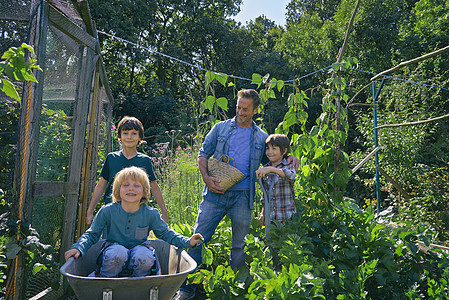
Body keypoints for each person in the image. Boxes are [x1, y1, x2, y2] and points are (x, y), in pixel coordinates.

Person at [174, 89, 299, 300]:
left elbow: (271, 158)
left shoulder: (261, 137)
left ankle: (234, 289)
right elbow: (203, 154)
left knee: (239, 245)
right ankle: (186, 289)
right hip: (214, 193)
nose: (240, 112)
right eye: (238, 107)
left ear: (255, 110)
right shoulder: (220, 128)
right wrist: (206, 177)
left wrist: (290, 156)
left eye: (246, 109)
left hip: (242, 197)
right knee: (198, 238)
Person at [65, 166, 203, 278]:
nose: (131, 188)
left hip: (139, 252)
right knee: (117, 253)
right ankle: (104, 280)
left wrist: (187, 241)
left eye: (136, 186)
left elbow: (166, 234)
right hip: (113, 252)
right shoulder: (107, 211)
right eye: (126, 185)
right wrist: (79, 247)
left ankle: (139, 282)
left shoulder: (150, 214)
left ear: (144, 192)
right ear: (118, 190)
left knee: (144, 256)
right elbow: (92, 234)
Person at [86, 116, 169, 226]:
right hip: (112, 213)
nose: (129, 137)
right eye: (125, 133)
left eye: (134, 133)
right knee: (111, 242)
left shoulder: (145, 160)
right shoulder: (111, 158)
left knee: (136, 242)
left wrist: (164, 211)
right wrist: (90, 211)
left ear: (140, 137)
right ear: (119, 136)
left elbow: (153, 186)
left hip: (137, 212)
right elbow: (101, 185)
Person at [256, 134, 296, 226]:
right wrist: (263, 213)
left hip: (286, 216)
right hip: (271, 218)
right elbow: (265, 194)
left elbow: (291, 176)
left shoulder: (288, 165)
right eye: (267, 148)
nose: (270, 152)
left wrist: (272, 169)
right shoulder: (265, 168)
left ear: (284, 151)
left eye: (274, 149)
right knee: (270, 239)